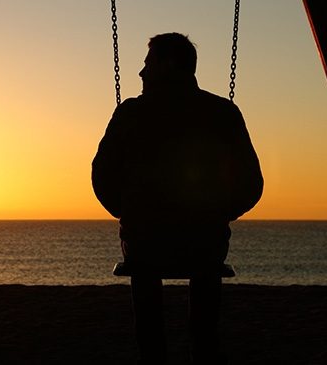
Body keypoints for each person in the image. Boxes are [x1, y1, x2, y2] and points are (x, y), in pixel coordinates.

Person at [92, 33, 263, 364]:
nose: (141, 73)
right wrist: (222, 214)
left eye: (147, 64)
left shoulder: (131, 113)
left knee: (145, 275)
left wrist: (125, 211)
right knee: (205, 303)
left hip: (146, 242)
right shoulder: (221, 112)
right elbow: (251, 183)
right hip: (205, 241)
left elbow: (102, 175)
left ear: (168, 65)